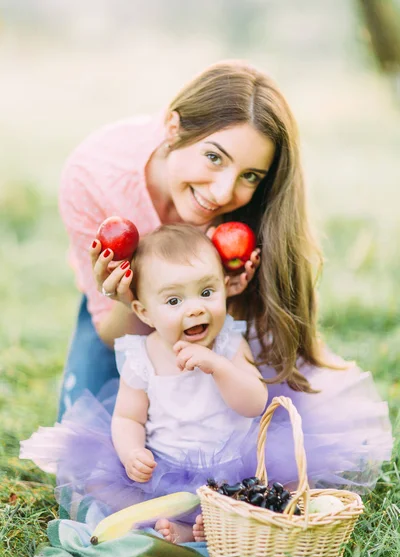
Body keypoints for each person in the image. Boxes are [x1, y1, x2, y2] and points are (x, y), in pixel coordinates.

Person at [39, 60, 391, 508]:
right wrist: (124, 299)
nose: (224, 193)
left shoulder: (242, 217)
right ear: (173, 127)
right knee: (83, 464)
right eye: (213, 157)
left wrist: (227, 295)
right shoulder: (92, 176)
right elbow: (112, 332)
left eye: (250, 177)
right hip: (124, 308)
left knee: (269, 448)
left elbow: (242, 373)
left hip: (213, 318)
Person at [21, 224, 268, 543]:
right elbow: (127, 417)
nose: (195, 308)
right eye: (174, 300)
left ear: (225, 286)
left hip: (232, 466)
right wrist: (131, 451)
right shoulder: (142, 355)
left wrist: (218, 367)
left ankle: (210, 528)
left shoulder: (229, 344)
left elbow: (254, 403)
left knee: (257, 498)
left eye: (207, 293)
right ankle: (182, 529)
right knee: (115, 493)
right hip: (166, 469)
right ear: (144, 311)